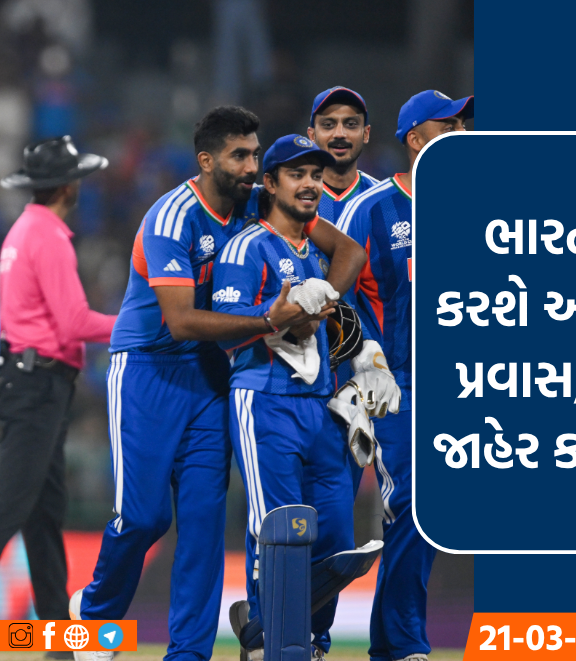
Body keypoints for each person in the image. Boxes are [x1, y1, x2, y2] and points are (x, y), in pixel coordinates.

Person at [70, 108, 366, 661]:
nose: (251, 167)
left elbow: (348, 251)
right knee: (143, 517)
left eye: (255, 155)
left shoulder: (257, 203)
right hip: (148, 371)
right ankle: (92, 617)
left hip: (213, 377)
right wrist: (274, 319)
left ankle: (188, 653)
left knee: (203, 528)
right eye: (239, 156)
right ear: (206, 161)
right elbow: (181, 321)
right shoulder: (171, 219)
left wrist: (320, 300)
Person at [217, 135, 399, 661]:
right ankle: (280, 647)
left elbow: (337, 302)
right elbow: (226, 331)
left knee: (336, 536)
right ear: (270, 183)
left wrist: (363, 356)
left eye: (316, 175)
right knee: (280, 532)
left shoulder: (315, 253)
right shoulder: (247, 247)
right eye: (297, 174)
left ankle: (280, 634)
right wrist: (275, 318)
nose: (310, 184)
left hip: (321, 407)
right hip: (265, 398)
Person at [0, 137, 116, 658]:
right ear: (68, 186)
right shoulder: (50, 237)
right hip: (37, 383)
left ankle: (59, 640)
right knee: (13, 506)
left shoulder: (24, 230)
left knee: (43, 513)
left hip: (28, 380)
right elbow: (75, 322)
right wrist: (141, 326)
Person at [334, 88, 473, 661]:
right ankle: (406, 643)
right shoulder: (372, 209)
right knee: (414, 504)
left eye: (465, 125)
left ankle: (390, 645)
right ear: (416, 139)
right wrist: (361, 368)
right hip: (394, 384)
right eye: (449, 126)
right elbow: (334, 297)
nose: (464, 135)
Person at [304, 87, 382, 224]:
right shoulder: (288, 201)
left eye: (351, 124)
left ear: (366, 134)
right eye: (328, 125)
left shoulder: (385, 201)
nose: (339, 134)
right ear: (312, 135)